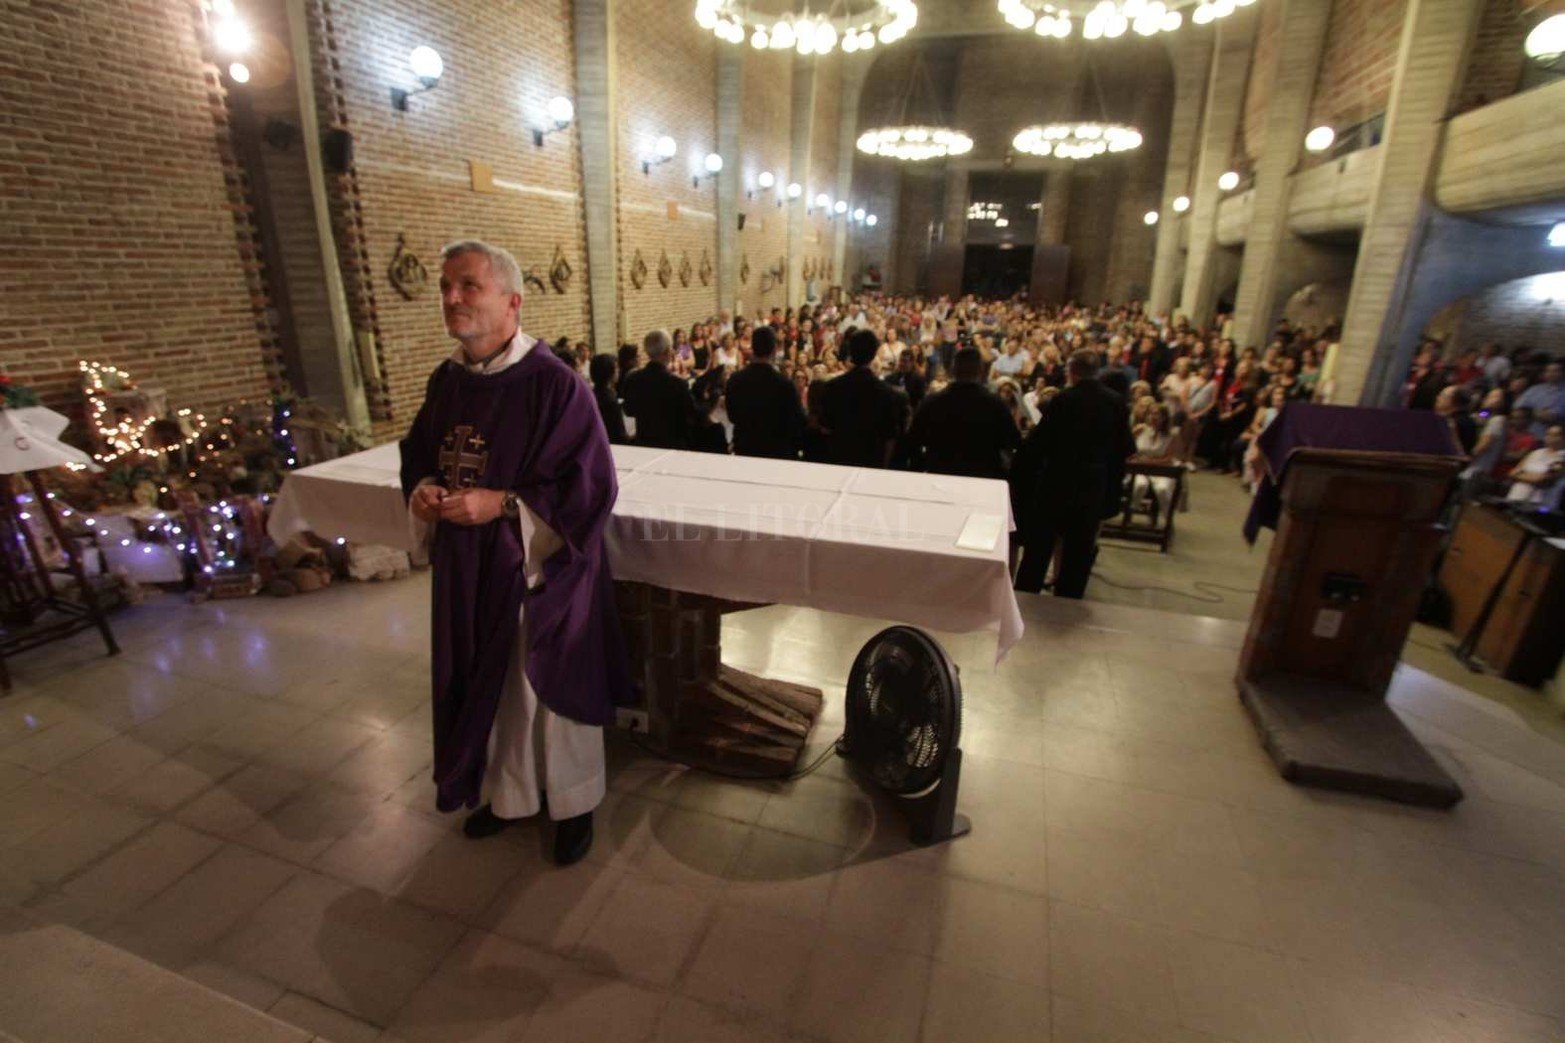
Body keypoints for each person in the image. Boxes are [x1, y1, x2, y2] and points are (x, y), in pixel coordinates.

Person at [398, 239, 633, 865]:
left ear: (512, 301)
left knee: (544, 691)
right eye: (446, 286)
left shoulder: (556, 385)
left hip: (537, 568)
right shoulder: (446, 381)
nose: (451, 298)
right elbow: (420, 450)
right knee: (489, 685)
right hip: (467, 568)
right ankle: (508, 796)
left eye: (469, 286)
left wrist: (501, 504)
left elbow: (592, 485)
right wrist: (423, 489)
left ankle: (573, 804)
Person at [1011, 349, 1134, 597]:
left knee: (1039, 548)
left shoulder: (1063, 400)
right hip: (1092, 486)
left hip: (1057, 484)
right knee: (1079, 551)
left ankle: (1026, 596)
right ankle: (1069, 599)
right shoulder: (1115, 402)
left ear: (1071, 371)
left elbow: (1038, 445)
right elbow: (1125, 449)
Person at [906, 346, 1020, 479]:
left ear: (953, 370)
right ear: (980, 370)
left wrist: (922, 467)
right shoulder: (996, 405)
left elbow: (912, 440)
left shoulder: (932, 402)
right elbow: (1013, 441)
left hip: (939, 476)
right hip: (984, 478)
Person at [815, 328, 910, 468]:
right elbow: (891, 439)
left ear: (850, 352)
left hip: (838, 462)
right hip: (872, 465)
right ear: (874, 353)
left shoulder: (831, 387)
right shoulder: (889, 394)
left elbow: (825, 428)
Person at [724, 324, 806, 459]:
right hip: (777, 453)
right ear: (774, 350)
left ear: (752, 348)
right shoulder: (785, 385)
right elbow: (797, 420)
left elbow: (732, 416)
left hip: (745, 449)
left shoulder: (735, 380)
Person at [620, 329, 699, 450]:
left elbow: (628, 410)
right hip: (673, 446)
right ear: (667, 352)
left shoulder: (633, 379)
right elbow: (692, 415)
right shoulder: (677, 383)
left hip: (644, 445)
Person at [1506, 424, 1565, 506]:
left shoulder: (1562, 458)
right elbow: (1513, 473)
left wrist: (1522, 475)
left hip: (1538, 502)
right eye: (1548, 434)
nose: (1549, 437)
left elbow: (1543, 480)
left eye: (1555, 435)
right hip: (1516, 495)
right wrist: (1533, 477)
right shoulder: (1536, 452)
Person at [1516, 361, 1565, 436]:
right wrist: (1536, 413)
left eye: (1556, 371)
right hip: (1527, 434)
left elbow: (1552, 417)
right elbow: (1518, 409)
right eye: (1548, 371)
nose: (1551, 373)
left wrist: (1531, 412)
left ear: (1562, 373)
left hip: (1554, 436)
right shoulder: (1534, 389)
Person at [588, 353, 627, 445]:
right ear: (610, 372)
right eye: (616, 368)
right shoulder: (610, 401)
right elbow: (619, 435)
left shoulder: (591, 394)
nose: (619, 371)